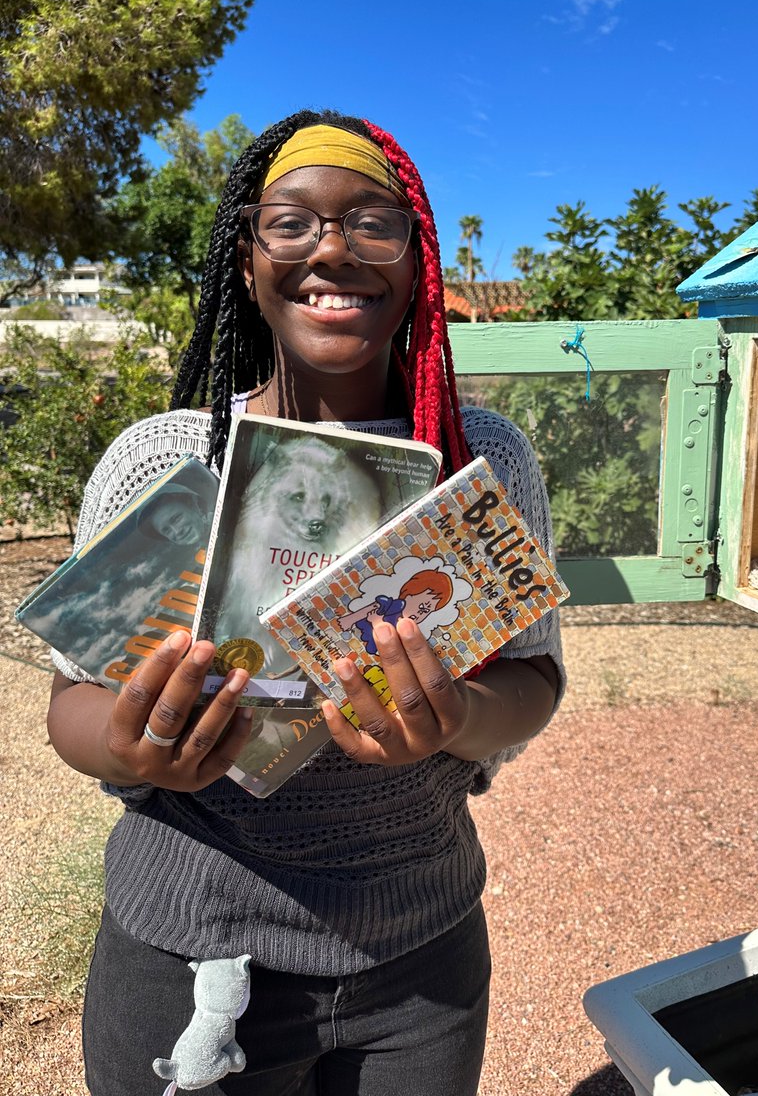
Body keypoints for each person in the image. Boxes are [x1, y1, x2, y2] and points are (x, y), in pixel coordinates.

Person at [47, 109, 565, 1096]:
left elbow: (533, 678)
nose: (333, 247)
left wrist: (453, 718)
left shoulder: (481, 459)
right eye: (292, 223)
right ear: (245, 262)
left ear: (418, 264)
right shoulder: (165, 459)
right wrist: (126, 746)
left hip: (426, 964)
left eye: (373, 223)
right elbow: (70, 703)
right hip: (194, 965)